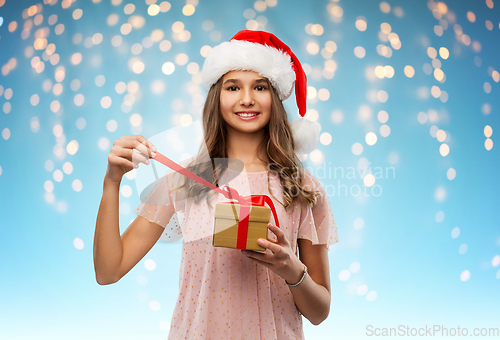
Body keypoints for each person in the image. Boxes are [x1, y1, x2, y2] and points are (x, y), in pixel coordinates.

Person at [94, 30, 339, 339]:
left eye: (260, 87)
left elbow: (320, 312)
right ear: (217, 98)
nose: (247, 98)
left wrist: (291, 268)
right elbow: (108, 271)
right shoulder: (183, 183)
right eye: (233, 87)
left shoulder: (303, 189)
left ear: (275, 99)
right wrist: (111, 183)